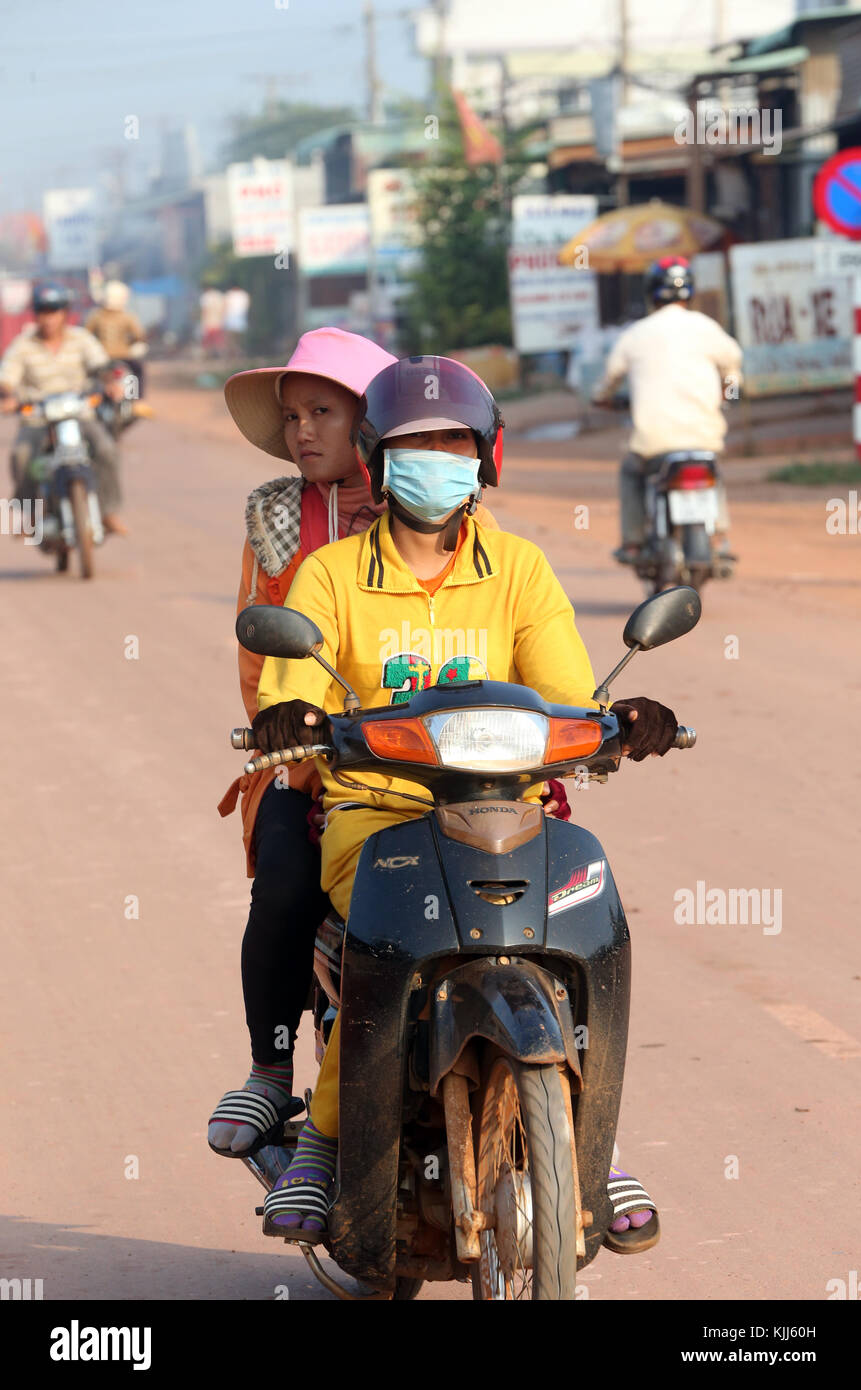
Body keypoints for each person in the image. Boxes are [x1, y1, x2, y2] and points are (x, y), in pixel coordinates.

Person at [251, 356, 674, 1251]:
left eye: (452, 442)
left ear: (484, 456)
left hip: (510, 810)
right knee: (385, 951)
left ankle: (594, 1138)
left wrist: (623, 723)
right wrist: (291, 714)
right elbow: (288, 688)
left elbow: (569, 697)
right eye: (413, 444)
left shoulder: (519, 569)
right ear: (376, 460)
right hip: (375, 813)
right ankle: (324, 1143)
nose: (434, 458)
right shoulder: (327, 576)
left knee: (589, 916)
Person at [208, 331, 545, 1164]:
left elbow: (538, 661)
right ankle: (270, 1070)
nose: (303, 433)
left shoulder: (478, 537)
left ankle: (576, 1114)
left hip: (462, 771)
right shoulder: (282, 525)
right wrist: (288, 738)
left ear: (371, 425)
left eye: (322, 412)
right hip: (321, 763)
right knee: (285, 888)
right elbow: (266, 656)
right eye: (293, 418)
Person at [592, 256, 742, 565]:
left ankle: (633, 541)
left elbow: (608, 381)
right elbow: (733, 364)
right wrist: (730, 390)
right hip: (704, 436)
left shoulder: (635, 334)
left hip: (653, 442)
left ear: (650, 293)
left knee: (631, 472)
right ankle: (718, 535)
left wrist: (602, 398)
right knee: (713, 470)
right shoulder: (707, 327)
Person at [0, 283, 128, 535]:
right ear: (36, 315)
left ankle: (108, 511)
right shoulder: (23, 345)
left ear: (64, 313)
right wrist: (7, 396)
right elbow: (8, 377)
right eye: (44, 311)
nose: (49, 318)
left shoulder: (81, 339)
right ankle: (28, 514)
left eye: (55, 311)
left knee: (106, 449)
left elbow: (101, 365)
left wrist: (111, 384)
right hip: (38, 419)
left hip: (79, 415)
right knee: (21, 456)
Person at [86, 281, 148, 398]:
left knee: (89, 374)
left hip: (101, 357)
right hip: (124, 357)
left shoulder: (96, 316)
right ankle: (135, 399)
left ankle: (90, 398)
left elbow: (86, 335)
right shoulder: (127, 317)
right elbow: (140, 336)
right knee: (137, 371)